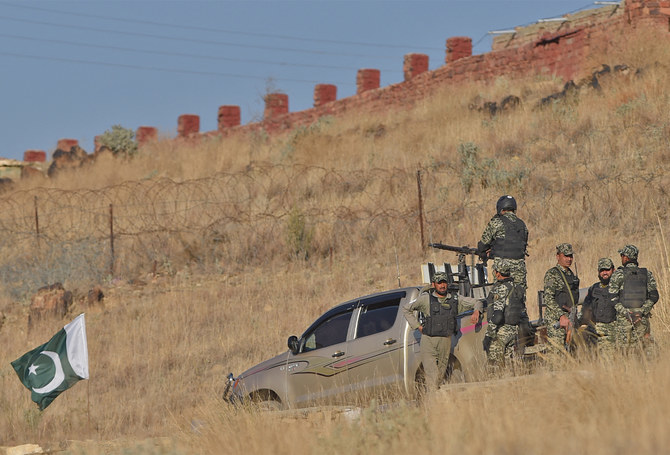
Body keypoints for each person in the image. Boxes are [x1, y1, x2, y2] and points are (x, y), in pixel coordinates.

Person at [403, 272, 483, 392]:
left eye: (444, 282)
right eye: (439, 283)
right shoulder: (426, 299)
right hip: (428, 342)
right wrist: (417, 326)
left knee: (440, 376)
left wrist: (477, 312)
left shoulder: (455, 299)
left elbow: (477, 302)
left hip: (445, 342)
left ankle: (436, 398)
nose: (442, 285)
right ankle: (433, 399)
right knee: (433, 374)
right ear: (433, 284)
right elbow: (406, 309)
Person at [609, 245, 659, 354]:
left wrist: (626, 313)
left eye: (622, 255)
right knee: (642, 351)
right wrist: (641, 311)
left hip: (624, 320)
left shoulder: (618, 274)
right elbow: (654, 296)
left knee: (624, 352)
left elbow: (612, 298)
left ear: (626, 257)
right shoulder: (647, 274)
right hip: (642, 319)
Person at [483, 259, 528, 367]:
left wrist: (489, 335)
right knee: (509, 365)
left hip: (502, 331)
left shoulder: (501, 289)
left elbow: (498, 315)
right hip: (514, 330)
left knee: (495, 365)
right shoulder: (517, 288)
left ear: (498, 273)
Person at [478, 195, 529, 289]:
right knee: (519, 294)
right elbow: (522, 245)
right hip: (519, 269)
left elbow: (483, 244)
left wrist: (486, 252)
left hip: (502, 269)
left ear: (500, 208)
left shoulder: (496, 222)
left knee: (501, 294)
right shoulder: (522, 224)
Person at [542, 243, 580, 352]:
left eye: (571, 256)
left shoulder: (571, 275)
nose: (569, 259)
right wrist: (561, 316)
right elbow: (548, 298)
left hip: (570, 319)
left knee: (572, 352)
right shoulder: (552, 274)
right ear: (558, 256)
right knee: (556, 353)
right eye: (566, 256)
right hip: (557, 319)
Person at [581, 258, 616, 355]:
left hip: (611, 332)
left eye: (607, 270)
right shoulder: (594, 288)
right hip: (593, 331)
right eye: (602, 270)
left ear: (613, 270)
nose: (604, 273)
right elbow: (586, 308)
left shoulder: (618, 288)